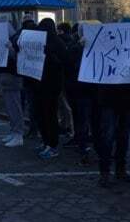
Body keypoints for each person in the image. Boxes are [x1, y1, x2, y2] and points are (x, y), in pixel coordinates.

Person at [96, 17, 130, 188]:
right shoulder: (107, 46)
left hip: (126, 101)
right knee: (108, 136)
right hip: (109, 100)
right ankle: (105, 171)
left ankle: (120, 169)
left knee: (123, 137)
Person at [33, 18, 69, 160]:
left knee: (50, 115)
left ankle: (52, 145)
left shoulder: (57, 43)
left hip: (52, 85)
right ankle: (46, 141)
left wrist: (51, 56)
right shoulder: (41, 42)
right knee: (41, 114)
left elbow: (64, 61)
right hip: (40, 84)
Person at [64, 22, 97, 165]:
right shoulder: (75, 46)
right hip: (79, 90)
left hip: (89, 90)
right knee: (80, 118)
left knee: (88, 119)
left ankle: (87, 144)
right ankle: (82, 144)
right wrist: (79, 46)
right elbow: (69, 61)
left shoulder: (95, 46)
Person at [0, 22, 24, 147]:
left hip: (13, 77)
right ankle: (14, 131)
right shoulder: (8, 39)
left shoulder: (16, 40)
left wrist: (11, 49)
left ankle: (18, 134)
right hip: (6, 77)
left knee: (15, 107)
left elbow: (19, 58)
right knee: (10, 107)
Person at [56, 22, 75, 139]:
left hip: (62, 78)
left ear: (61, 31)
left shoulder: (59, 42)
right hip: (71, 79)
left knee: (64, 105)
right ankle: (69, 127)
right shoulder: (73, 41)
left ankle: (65, 126)